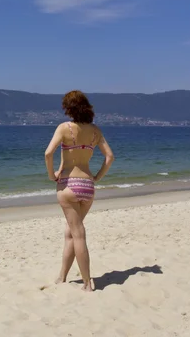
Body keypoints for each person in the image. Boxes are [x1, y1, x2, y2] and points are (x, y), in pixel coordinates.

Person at [45, 90, 115, 292]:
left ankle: (87, 283)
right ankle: (62, 276)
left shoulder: (64, 128)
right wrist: (97, 177)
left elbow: (48, 153)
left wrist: (52, 175)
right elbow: (109, 157)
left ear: (69, 108)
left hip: (68, 185)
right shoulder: (95, 131)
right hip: (87, 186)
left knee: (78, 234)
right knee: (71, 232)